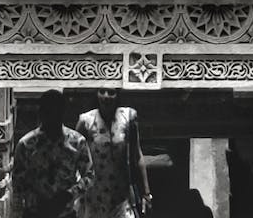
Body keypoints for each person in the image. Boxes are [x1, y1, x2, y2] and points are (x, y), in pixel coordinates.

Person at [13, 89, 91, 218]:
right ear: (41, 113)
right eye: (49, 112)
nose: (53, 117)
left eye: (57, 112)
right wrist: (34, 199)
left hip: (65, 213)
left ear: (63, 112)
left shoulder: (77, 142)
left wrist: (70, 194)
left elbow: (89, 175)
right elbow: (18, 181)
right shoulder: (26, 145)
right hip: (35, 213)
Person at [76, 87, 151, 218]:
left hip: (120, 194)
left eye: (111, 93)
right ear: (96, 94)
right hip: (94, 194)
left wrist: (146, 192)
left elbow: (137, 155)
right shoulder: (86, 120)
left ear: (117, 95)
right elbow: (75, 158)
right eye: (102, 92)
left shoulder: (128, 117)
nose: (106, 96)